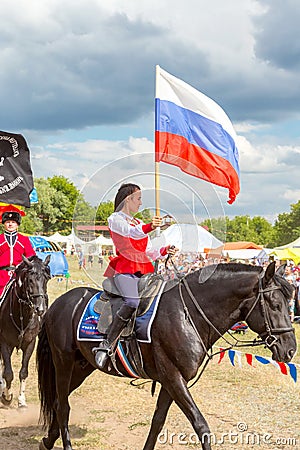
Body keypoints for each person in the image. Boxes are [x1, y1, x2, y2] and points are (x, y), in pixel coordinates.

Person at [94, 183, 177, 369]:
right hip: (124, 269)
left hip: (145, 269)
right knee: (132, 302)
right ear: (128, 199)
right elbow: (130, 232)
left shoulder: (138, 223)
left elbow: (148, 251)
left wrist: (164, 250)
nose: (140, 203)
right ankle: (106, 344)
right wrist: (150, 226)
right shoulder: (115, 219)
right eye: (138, 199)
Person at [0, 204, 36, 297]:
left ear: (17, 224)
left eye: (13, 222)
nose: (10, 224)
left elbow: (31, 258)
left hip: (19, 276)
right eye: (8, 222)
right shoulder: (0, 239)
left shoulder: (24, 240)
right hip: (1, 277)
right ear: (4, 223)